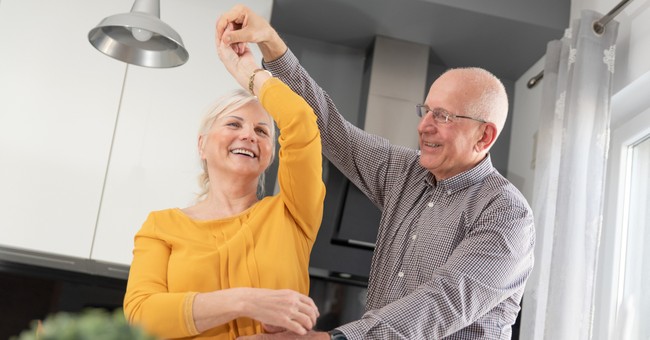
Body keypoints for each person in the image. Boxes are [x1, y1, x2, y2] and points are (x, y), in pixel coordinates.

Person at [217, 5, 536, 340]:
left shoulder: (506, 213)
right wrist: (270, 44)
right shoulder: (407, 173)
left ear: (484, 136)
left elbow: (443, 302)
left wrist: (329, 339)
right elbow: (329, 125)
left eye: (442, 116)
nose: (423, 126)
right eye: (426, 111)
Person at [123, 22, 327, 340]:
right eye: (233, 123)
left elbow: (301, 121)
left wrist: (249, 72)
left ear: (271, 154)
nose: (248, 134)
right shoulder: (160, 227)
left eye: (262, 131)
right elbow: (141, 316)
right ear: (202, 144)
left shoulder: (291, 215)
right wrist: (245, 301)